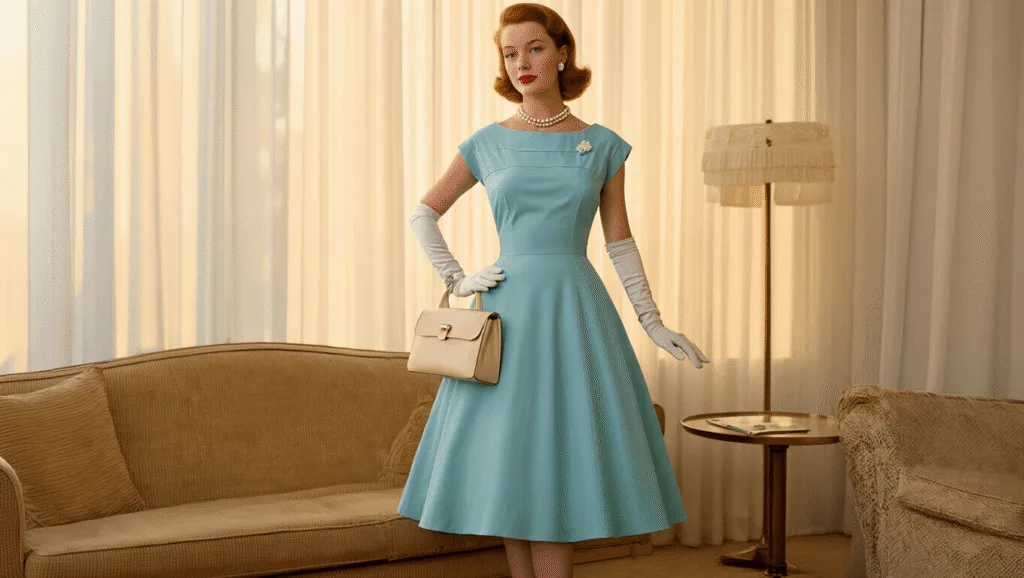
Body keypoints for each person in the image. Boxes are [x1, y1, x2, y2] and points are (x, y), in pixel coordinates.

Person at [399, 3, 709, 577]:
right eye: (510, 52)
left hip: (575, 310)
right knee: (514, 458)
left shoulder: (604, 145)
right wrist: (457, 277)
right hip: (506, 312)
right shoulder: (486, 143)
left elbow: (620, 241)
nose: (522, 62)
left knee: (557, 455)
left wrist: (653, 322)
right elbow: (423, 213)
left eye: (534, 48)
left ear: (562, 52)